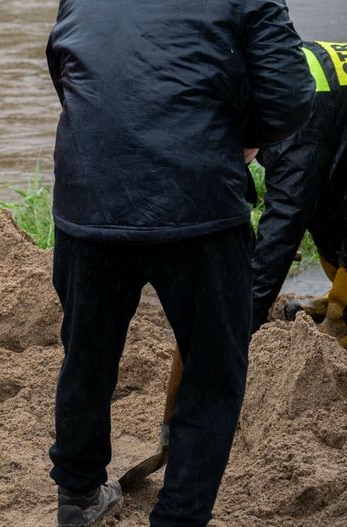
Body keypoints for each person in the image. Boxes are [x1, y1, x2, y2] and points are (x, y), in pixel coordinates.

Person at [45, 1, 314, 525]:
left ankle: (77, 496)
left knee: (86, 353)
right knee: (214, 372)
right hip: (200, 204)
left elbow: (69, 70)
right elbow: (290, 95)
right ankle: (180, 517)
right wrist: (241, 138)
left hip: (88, 198)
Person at [251, 41, 347, 342]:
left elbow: (285, 219)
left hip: (323, 112)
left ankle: (340, 315)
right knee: (321, 203)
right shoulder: (268, 73)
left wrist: (246, 316)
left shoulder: (296, 124)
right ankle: (338, 293)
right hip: (335, 112)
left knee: (300, 203)